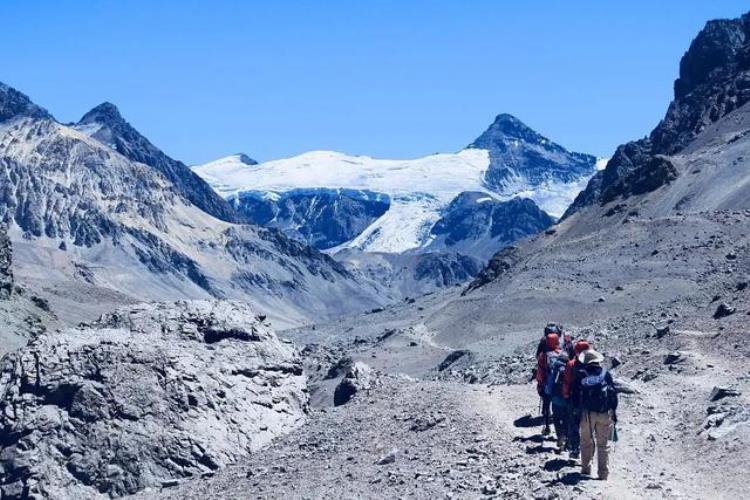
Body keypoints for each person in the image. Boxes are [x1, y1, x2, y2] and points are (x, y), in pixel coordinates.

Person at [575, 349, 618, 480]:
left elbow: (576, 396)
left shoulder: (582, 375)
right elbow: (613, 394)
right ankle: (603, 474)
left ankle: (586, 469)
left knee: (586, 441)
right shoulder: (606, 374)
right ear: (598, 361)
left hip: (587, 414)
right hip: (604, 412)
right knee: (603, 445)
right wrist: (614, 412)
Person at [562, 340, 591, 459]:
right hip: (590, 400)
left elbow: (567, 382)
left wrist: (566, 395)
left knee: (574, 424)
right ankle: (588, 452)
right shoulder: (593, 363)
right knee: (588, 426)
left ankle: (574, 449)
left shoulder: (571, 364)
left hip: (574, 399)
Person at [535, 333, 561, 436]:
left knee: (546, 406)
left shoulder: (543, 355)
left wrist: (540, 383)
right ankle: (562, 433)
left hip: (547, 385)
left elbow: (540, 373)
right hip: (559, 386)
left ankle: (546, 427)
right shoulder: (562, 353)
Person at [545, 350, 570, 453]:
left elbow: (550, 384)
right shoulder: (569, 368)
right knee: (566, 419)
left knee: (556, 418)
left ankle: (559, 436)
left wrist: (548, 394)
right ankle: (566, 437)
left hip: (555, 399)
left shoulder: (555, 368)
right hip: (566, 399)